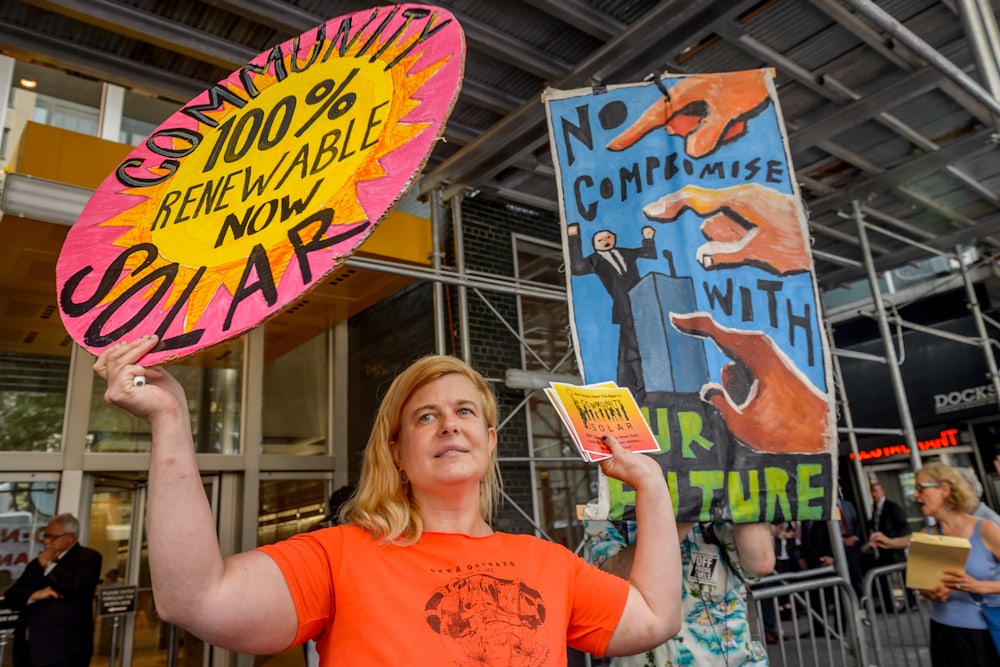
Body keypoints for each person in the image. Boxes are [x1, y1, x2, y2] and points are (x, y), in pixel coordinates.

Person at [95, 338, 683, 664]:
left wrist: (651, 487)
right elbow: (194, 599)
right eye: (426, 417)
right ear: (398, 452)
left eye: (465, 412)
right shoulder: (341, 556)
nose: (449, 426)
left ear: (489, 440)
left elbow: (656, 617)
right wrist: (170, 421)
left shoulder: (545, 562)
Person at [586, 520, 774, 665]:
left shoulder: (714, 503)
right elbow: (612, 576)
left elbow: (761, 563)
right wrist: (674, 522)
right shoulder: (608, 511)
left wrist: (742, 495)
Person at [871, 462, 1000, 666]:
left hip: (987, 632)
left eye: (921, 488)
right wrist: (931, 592)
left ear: (945, 490)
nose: (915, 495)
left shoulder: (985, 529)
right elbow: (923, 588)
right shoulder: (926, 536)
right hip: (944, 632)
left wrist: (980, 587)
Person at [567, 224, 656, 398]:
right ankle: (640, 384)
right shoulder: (595, 260)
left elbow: (649, 253)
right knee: (633, 344)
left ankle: (627, 386)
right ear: (594, 244)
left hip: (640, 305)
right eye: (601, 240)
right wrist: (573, 238)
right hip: (624, 309)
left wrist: (649, 238)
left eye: (608, 238)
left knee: (629, 346)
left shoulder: (626, 253)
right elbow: (577, 267)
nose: (606, 241)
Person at [4, 514, 103, 667]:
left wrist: (49, 566)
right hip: (27, 650)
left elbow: (73, 586)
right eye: (45, 535)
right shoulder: (37, 563)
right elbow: (11, 596)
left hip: (65, 652)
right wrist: (34, 595)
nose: (46, 541)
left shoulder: (88, 558)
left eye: (52, 537)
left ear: (70, 538)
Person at [867, 480, 915, 611]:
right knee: (881, 576)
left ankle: (912, 603)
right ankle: (888, 603)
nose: (874, 494)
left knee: (903, 576)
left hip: (894, 549)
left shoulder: (892, 507)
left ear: (882, 491)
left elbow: (904, 526)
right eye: (872, 492)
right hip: (883, 550)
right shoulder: (876, 508)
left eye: (876, 491)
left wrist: (894, 541)